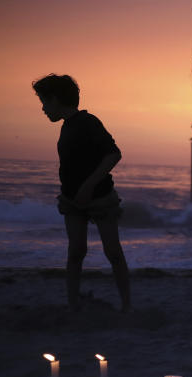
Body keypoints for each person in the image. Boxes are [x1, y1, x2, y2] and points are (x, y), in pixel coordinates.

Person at [33, 74, 131, 312]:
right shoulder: (66, 126)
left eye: (44, 101)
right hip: (72, 200)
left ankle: (127, 306)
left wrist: (88, 186)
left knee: (113, 252)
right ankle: (73, 305)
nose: (43, 108)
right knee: (76, 252)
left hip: (100, 198)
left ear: (56, 99)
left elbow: (113, 154)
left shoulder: (88, 122)